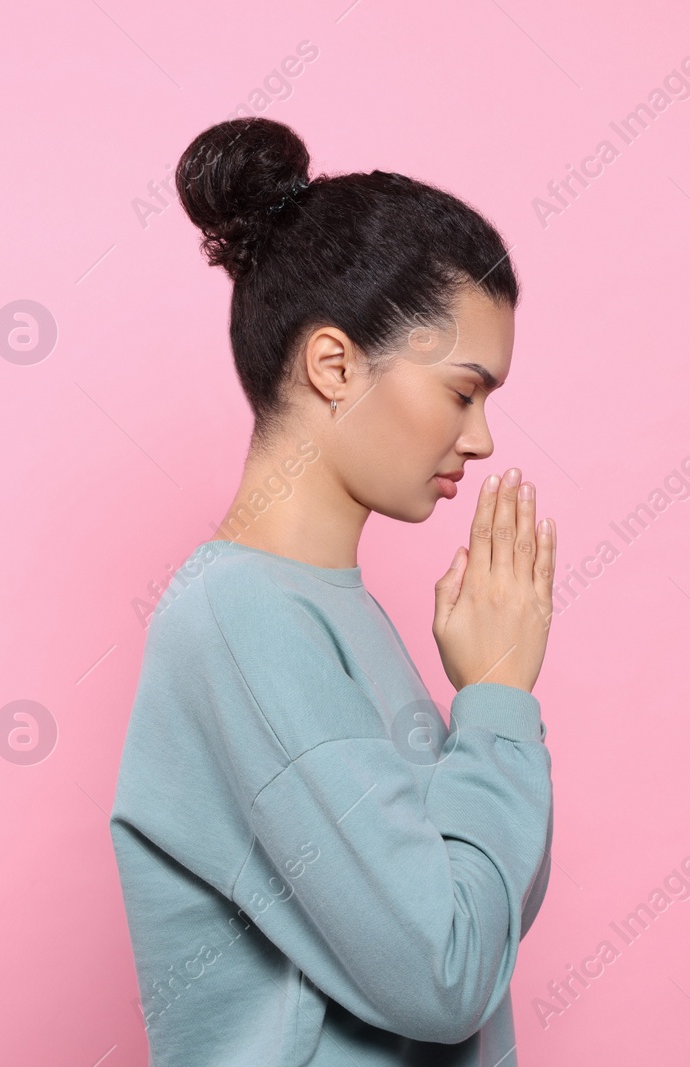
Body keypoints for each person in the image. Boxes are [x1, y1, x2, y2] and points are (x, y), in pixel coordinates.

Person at [109, 116, 559, 1066]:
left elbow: (479, 906)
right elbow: (446, 973)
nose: (480, 440)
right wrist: (499, 703)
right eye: (462, 391)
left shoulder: (318, 609)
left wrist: (495, 707)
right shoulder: (243, 621)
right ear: (335, 365)